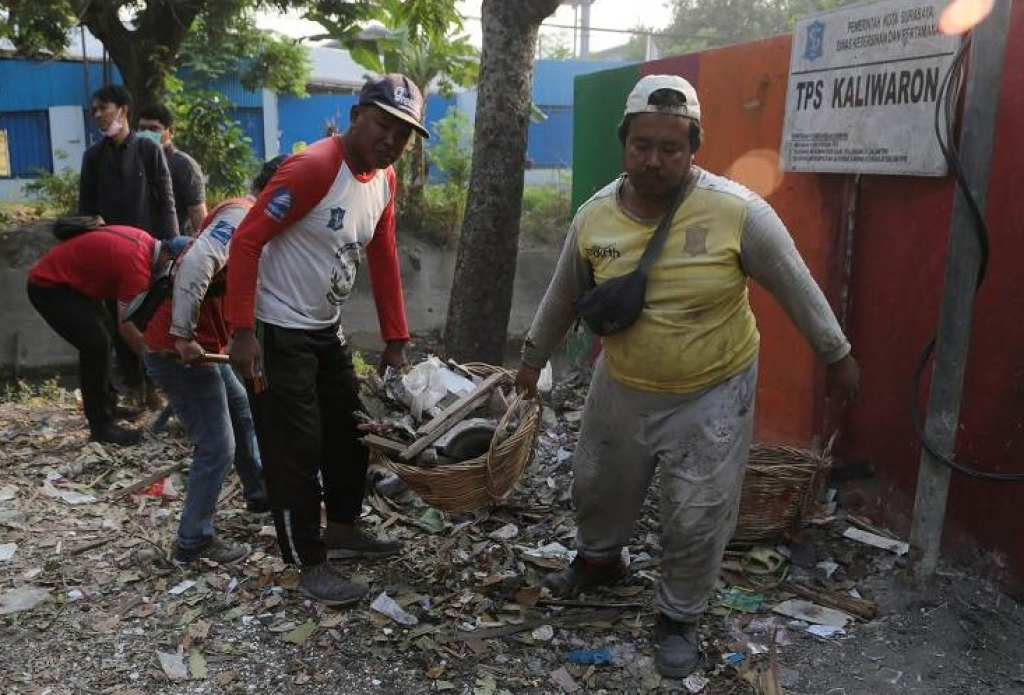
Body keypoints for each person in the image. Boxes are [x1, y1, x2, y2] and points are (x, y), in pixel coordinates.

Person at [513, 74, 861, 679]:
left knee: (697, 509)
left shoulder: (739, 213)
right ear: (624, 143)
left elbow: (796, 285)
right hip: (622, 383)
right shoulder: (594, 218)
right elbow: (562, 294)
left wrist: (836, 355)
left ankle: (679, 613)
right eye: (642, 145)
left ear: (694, 147)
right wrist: (530, 360)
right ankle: (600, 562)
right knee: (596, 484)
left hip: (713, 388)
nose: (654, 160)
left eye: (671, 148)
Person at [225, 74, 429, 605]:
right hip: (276, 329)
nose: (391, 140)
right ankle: (308, 562)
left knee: (351, 430)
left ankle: (341, 527)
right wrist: (242, 330)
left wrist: (395, 336)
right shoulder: (315, 167)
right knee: (295, 445)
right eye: (384, 124)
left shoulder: (384, 179)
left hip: (323, 328)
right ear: (357, 114)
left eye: (404, 134)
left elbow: (383, 254)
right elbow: (246, 241)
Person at [137, 157, 287, 565]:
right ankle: (193, 539)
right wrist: (183, 335)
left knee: (242, 412)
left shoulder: (256, 221)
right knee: (217, 445)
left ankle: (260, 494)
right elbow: (197, 264)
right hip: (181, 352)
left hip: (206, 345)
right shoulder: (242, 215)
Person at [26, 218, 187, 445]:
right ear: (170, 260)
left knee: (104, 341)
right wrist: (158, 363)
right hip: (49, 286)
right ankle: (101, 427)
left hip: (75, 286)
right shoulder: (137, 268)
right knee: (96, 346)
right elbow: (128, 327)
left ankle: (106, 405)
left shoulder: (145, 241)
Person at [78, 84, 178, 413]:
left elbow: (166, 203)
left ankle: (156, 385)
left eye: (102, 108)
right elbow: (87, 211)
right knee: (118, 323)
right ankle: (134, 387)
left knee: (150, 321)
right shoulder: (93, 157)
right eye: (94, 111)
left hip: (148, 253)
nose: (97, 116)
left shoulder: (149, 152)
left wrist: (170, 250)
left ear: (123, 110)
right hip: (109, 257)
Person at [136, 103, 209, 236]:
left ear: (170, 132)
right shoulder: (132, 161)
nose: (146, 134)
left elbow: (198, 215)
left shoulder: (184, 165)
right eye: (142, 128)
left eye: (154, 129)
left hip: (172, 247)